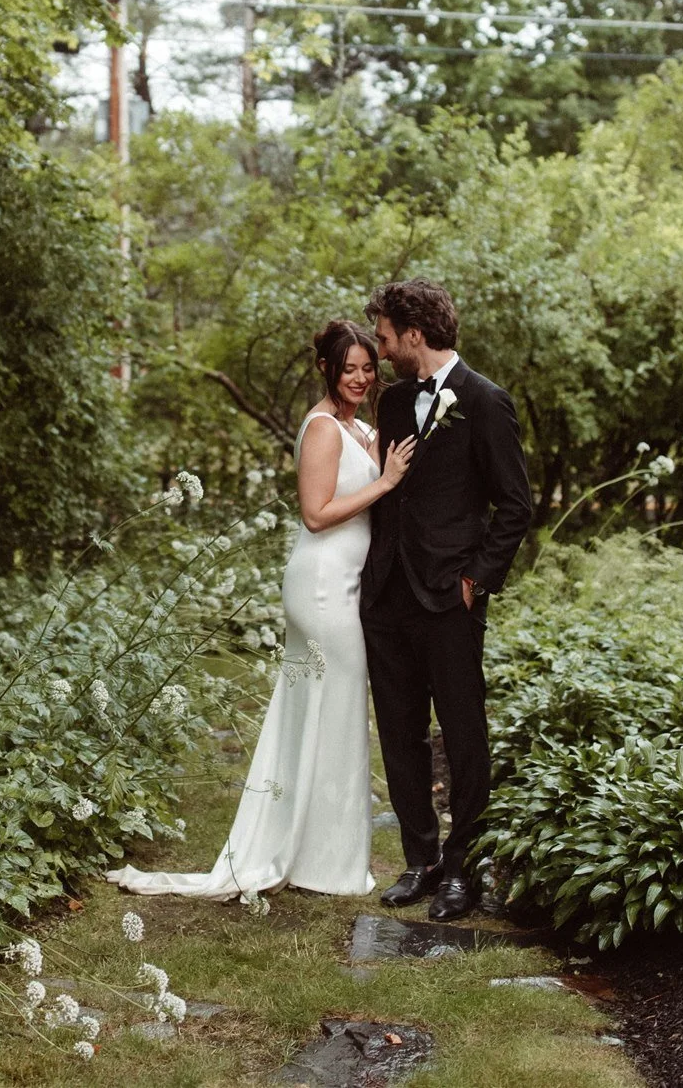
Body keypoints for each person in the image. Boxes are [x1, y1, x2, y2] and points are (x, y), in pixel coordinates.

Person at [107, 320, 414, 900]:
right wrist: (386, 480)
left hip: (347, 581)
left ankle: (318, 856)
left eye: (368, 368)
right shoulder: (321, 428)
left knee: (335, 711)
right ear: (326, 368)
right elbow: (316, 514)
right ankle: (314, 860)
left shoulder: (360, 428)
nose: (360, 378)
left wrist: (379, 456)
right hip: (321, 583)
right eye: (348, 368)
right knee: (334, 705)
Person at [360, 279, 533, 921]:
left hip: (451, 598)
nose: (380, 349)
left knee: (463, 737)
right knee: (400, 734)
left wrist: (475, 579)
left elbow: (515, 507)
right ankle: (421, 861)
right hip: (389, 596)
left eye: (384, 337)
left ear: (414, 333)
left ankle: (464, 870)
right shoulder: (396, 400)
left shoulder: (487, 402)